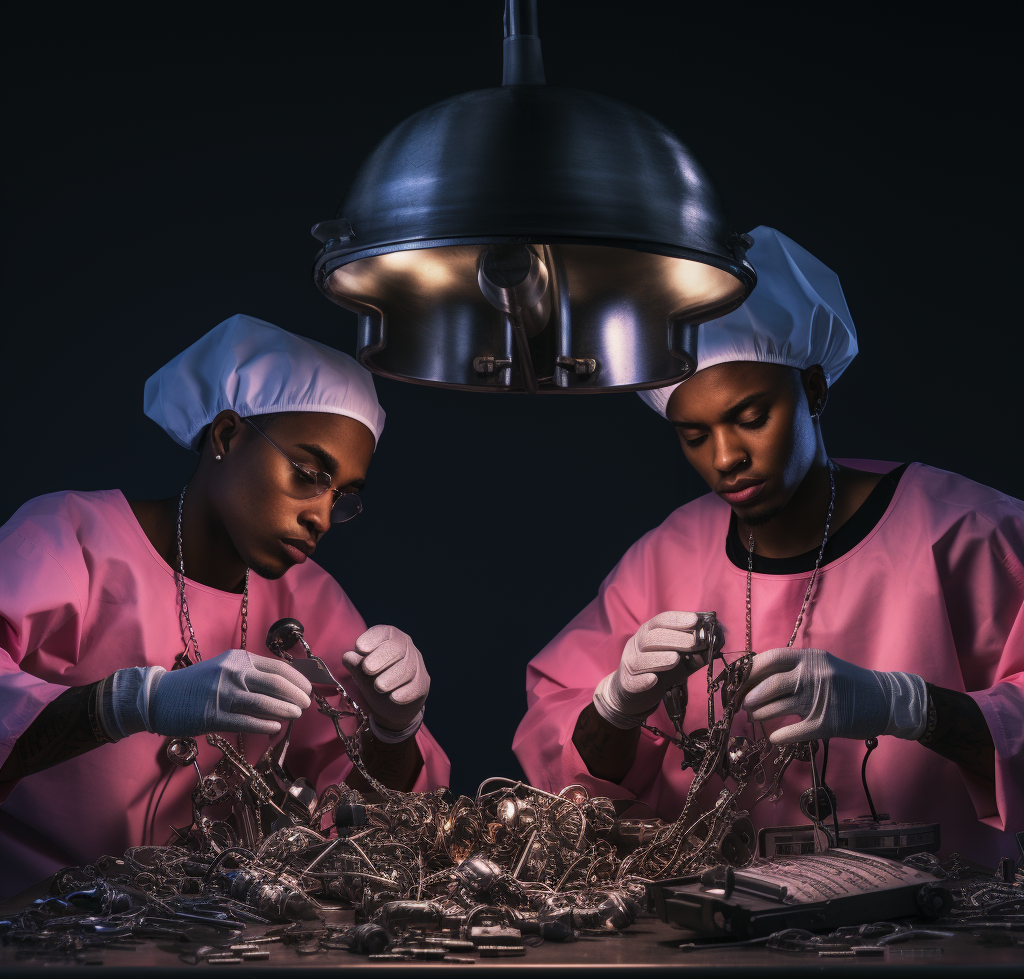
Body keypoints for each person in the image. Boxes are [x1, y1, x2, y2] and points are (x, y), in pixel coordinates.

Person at [512, 227, 1023, 865]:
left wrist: (910, 707)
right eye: (694, 435)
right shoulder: (664, 559)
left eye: (752, 418)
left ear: (813, 390)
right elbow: (559, 769)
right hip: (718, 945)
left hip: (940, 939)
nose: (726, 458)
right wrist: (615, 706)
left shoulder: (969, 533)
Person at [0, 314, 449, 898]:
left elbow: (371, 831)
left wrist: (394, 732)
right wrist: (134, 702)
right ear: (228, 435)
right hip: (33, 927)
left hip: (201, 937)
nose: (320, 515)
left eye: (343, 497)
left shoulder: (309, 601)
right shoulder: (67, 540)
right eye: (309, 474)